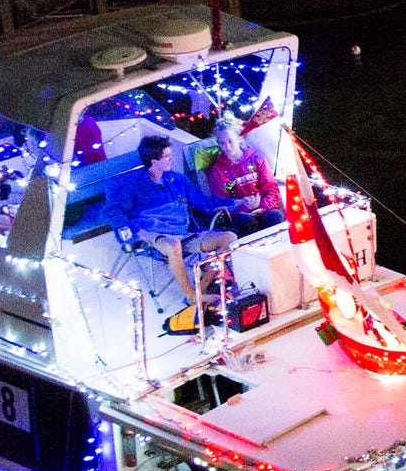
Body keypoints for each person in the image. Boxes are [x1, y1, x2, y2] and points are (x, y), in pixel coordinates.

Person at [107, 134, 237, 331]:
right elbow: (112, 211)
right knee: (173, 244)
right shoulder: (132, 185)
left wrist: (235, 203)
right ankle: (192, 295)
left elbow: (203, 202)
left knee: (229, 238)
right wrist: (135, 230)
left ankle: (199, 290)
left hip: (184, 233)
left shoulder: (177, 180)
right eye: (167, 157)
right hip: (153, 235)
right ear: (154, 161)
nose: (171, 159)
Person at [204, 115, 285, 230]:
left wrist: (262, 207)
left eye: (230, 141)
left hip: (264, 207)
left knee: (275, 217)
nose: (227, 147)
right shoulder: (217, 170)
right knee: (247, 223)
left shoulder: (256, 158)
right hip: (240, 214)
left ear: (239, 138)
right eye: (222, 143)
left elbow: (271, 188)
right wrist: (240, 203)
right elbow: (219, 200)